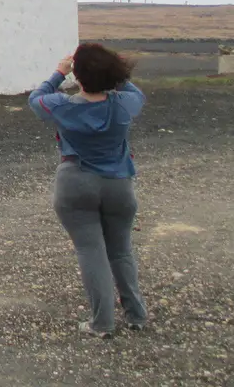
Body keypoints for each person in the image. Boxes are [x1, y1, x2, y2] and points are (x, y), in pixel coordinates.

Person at [29, 43, 149, 338]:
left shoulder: (62, 106)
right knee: (121, 250)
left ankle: (102, 323)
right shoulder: (123, 104)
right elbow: (137, 94)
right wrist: (114, 73)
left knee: (90, 250)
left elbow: (36, 99)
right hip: (118, 183)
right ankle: (136, 315)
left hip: (75, 182)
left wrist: (59, 72)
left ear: (78, 76)